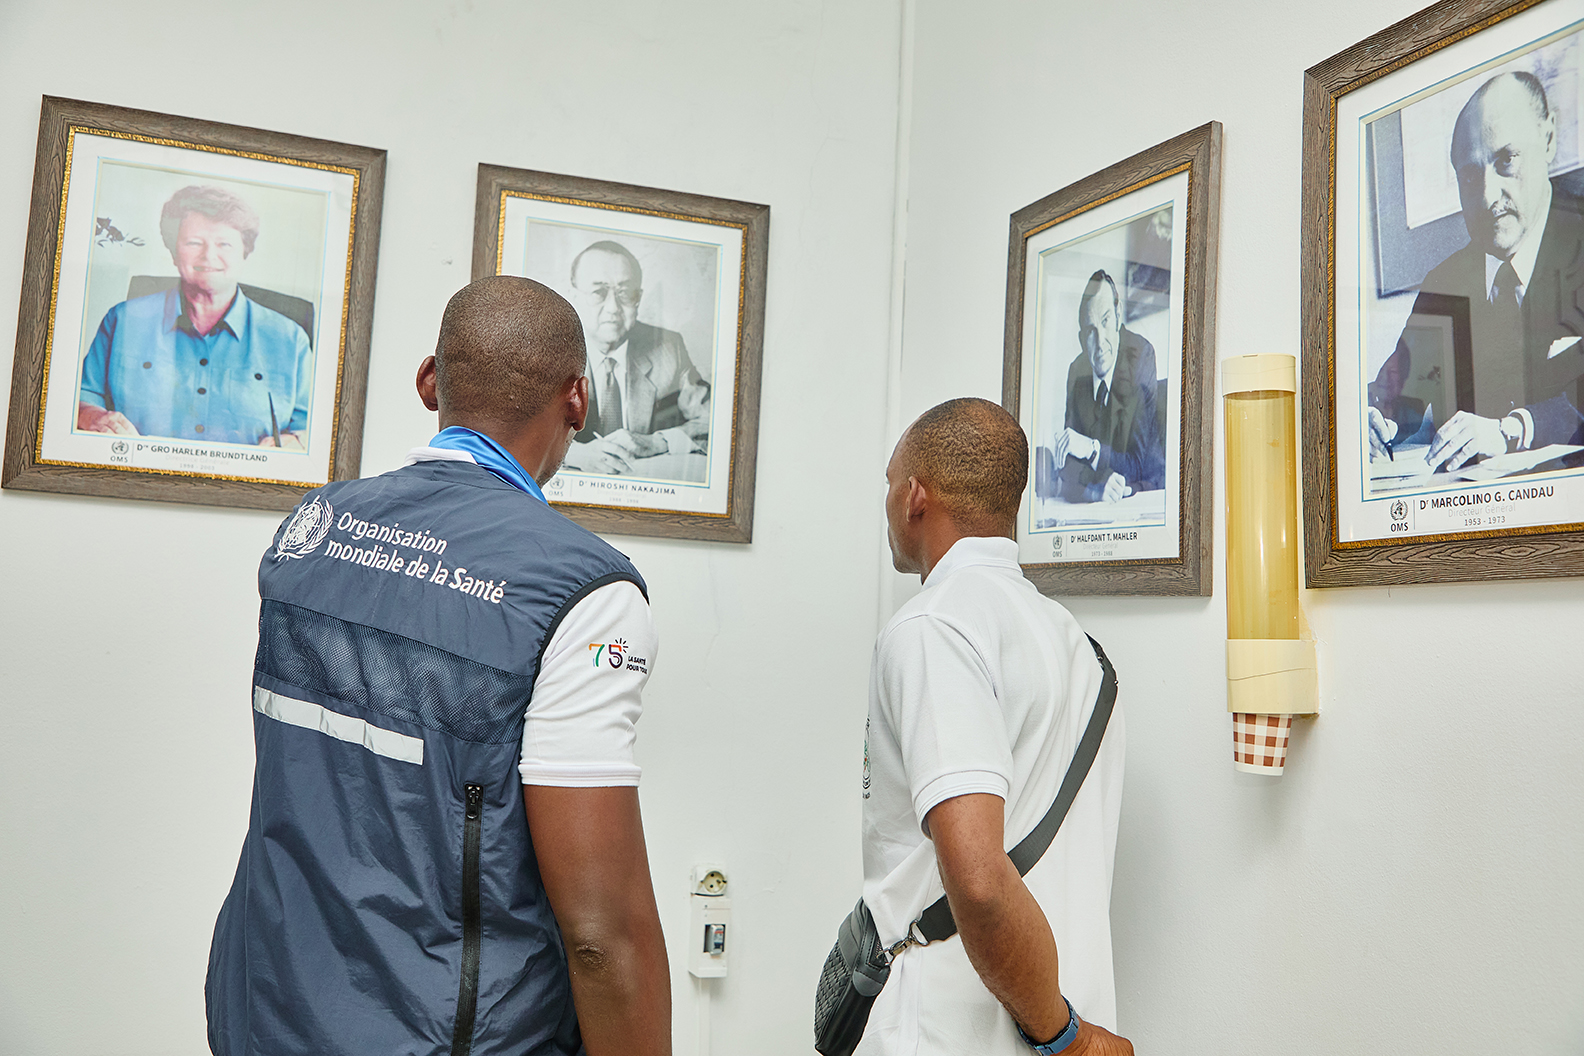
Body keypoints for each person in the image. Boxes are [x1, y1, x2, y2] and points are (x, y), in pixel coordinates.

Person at [206, 277, 671, 1056]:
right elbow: (600, 932)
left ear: (430, 381)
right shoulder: (584, 591)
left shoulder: (315, 529)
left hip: (263, 1005)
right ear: (578, 402)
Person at [858, 397, 1131, 1056]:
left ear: (914, 496)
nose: (889, 499)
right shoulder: (1078, 646)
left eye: (890, 482)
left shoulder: (933, 628)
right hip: (1073, 1009)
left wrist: (1063, 1037)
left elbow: (978, 881)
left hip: (967, 1031)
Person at [1369, 71, 1584, 471]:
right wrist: (1373, 419)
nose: (1487, 196)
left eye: (1506, 160)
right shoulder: (1445, 283)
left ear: (1549, 139)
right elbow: (1400, 393)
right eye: (1470, 176)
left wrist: (1512, 430)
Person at [77, 184, 314, 447]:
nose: (208, 256)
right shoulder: (122, 321)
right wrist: (92, 416)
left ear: (244, 253)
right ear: (173, 251)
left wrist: (297, 443)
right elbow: (82, 399)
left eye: (224, 243)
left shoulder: (291, 341)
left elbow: (313, 432)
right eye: (194, 242)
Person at [560, 240, 710, 475]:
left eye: (625, 294)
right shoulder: (549, 349)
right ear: (573, 297)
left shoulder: (668, 348)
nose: (613, 308)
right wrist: (577, 454)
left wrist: (658, 442)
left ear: (638, 297)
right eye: (599, 292)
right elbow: (516, 429)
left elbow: (714, 425)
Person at [1051, 270, 1164, 503]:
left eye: (1105, 321)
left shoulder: (1139, 355)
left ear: (1118, 315)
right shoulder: (1077, 371)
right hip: (1103, 504)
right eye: (1091, 331)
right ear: (1082, 339)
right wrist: (1096, 487)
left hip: (1143, 495)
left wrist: (1091, 449)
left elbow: (1137, 464)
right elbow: (1067, 465)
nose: (1100, 342)